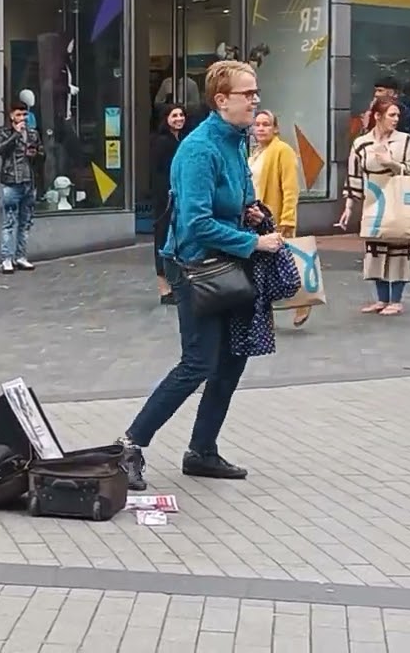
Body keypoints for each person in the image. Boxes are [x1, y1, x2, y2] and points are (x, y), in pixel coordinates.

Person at [119, 61, 284, 492]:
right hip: (196, 267)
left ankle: (202, 451)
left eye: (256, 93)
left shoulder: (234, 140)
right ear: (221, 99)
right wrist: (254, 243)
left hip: (227, 264)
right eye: (247, 94)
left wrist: (250, 211)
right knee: (198, 362)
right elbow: (194, 224)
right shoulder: (199, 149)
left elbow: (233, 199)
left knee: (231, 361)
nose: (255, 100)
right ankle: (128, 447)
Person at [339, 98, 410, 316]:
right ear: (378, 116)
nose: (396, 119)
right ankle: (381, 298)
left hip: (397, 198)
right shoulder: (361, 143)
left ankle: (396, 299)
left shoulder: (404, 140)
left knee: (398, 245)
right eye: (391, 115)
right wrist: (349, 206)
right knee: (374, 248)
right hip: (373, 199)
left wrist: (391, 163)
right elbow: (354, 175)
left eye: (397, 115)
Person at [249, 110, 308, 326]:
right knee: (264, 268)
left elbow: (291, 187)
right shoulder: (255, 152)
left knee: (286, 264)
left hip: (275, 217)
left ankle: (303, 301)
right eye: (258, 125)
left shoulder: (283, 150)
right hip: (256, 217)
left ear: (275, 128)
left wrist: (288, 219)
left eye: (266, 124)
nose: (261, 128)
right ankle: (266, 315)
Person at [0, 102, 43, 273]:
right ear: (12, 116)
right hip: (12, 182)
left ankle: (21, 257)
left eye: (25, 115)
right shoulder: (2, 132)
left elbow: (42, 155)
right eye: (19, 115)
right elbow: (0, 149)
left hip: (29, 182)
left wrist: (36, 154)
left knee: (25, 223)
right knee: (9, 222)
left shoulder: (33, 134)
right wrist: (15, 134)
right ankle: (7, 259)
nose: (23, 118)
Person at [150, 104, 185, 305]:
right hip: (166, 198)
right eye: (174, 115)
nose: (179, 118)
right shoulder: (162, 142)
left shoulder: (179, 140)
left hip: (176, 195)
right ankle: (164, 289)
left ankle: (174, 284)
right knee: (163, 240)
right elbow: (160, 173)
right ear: (166, 118)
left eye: (181, 115)